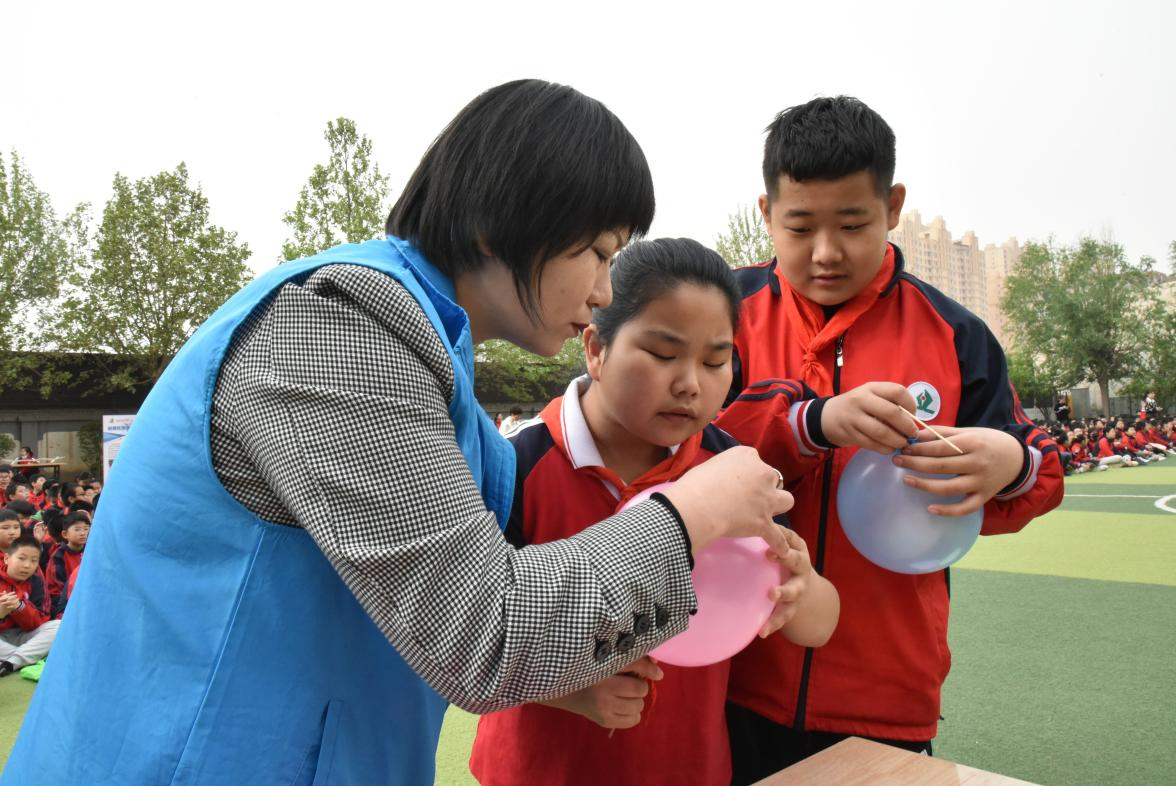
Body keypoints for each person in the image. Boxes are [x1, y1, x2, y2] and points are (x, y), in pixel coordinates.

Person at [4, 80, 795, 786]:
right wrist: (691, 514)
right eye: (594, 251)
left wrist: (560, 676)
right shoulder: (336, 330)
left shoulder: (438, 370)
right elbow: (483, 630)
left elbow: (424, 620)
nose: (602, 290)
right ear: (496, 224)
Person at [713, 96, 1065, 783]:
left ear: (893, 204)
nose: (825, 252)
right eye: (799, 226)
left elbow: (1039, 473)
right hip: (729, 676)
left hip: (887, 689)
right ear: (764, 214)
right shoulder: (719, 313)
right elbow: (677, 454)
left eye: (852, 224)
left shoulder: (956, 334)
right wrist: (810, 424)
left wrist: (1010, 464)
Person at [470, 239, 840, 786]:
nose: (690, 383)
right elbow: (465, 639)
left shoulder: (731, 472)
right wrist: (568, 689)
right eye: (663, 354)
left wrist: (801, 584)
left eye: (716, 360)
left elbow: (819, 624)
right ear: (595, 348)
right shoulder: (516, 465)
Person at [0, 535, 59, 678]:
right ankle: (30, 656)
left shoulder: (36, 580)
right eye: (21, 558)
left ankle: (11, 662)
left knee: (59, 626)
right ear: (7, 558)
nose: (27, 565)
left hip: (22, 635)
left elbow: (39, 621)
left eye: (34, 561)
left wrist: (20, 608)